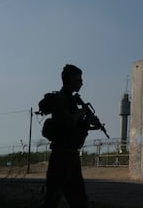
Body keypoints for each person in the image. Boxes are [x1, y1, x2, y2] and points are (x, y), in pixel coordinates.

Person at [40, 64, 100, 208]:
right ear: (70, 80)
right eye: (79, 80)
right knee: (52, 199)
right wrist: (82, 113)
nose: (81, 83)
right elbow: (66, 122)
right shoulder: (60, 99)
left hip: (72, 157)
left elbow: (75, 128)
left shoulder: (72, 102)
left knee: (80, 201)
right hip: (61, 156)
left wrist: (90, 124)